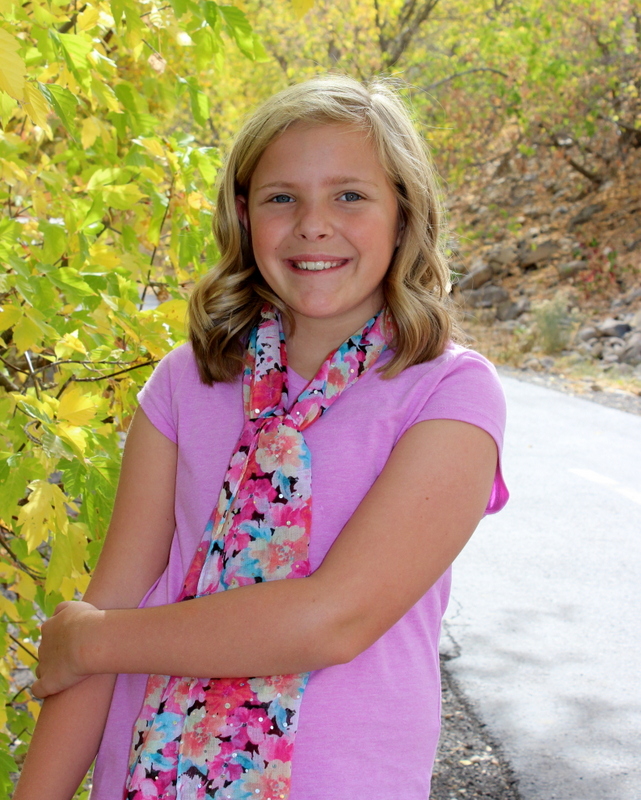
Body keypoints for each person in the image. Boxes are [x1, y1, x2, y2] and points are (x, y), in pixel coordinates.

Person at [15, 75, 508, 800]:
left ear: (404, 215)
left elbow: (331, 620)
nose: (313, 224)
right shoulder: (186, 382)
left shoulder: (448, 393)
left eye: (350, 195)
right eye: (282, 198)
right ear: (244, 216)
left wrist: (92, 641)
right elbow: (104, 612)